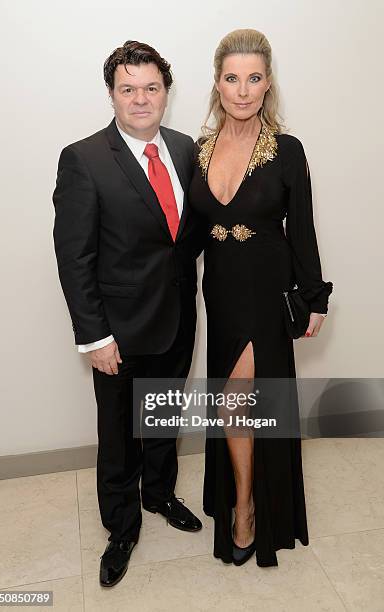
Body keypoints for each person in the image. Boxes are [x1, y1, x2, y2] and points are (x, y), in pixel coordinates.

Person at [52, 40, 204, 588]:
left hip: (178, 317)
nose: (141, 99)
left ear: (166, 91)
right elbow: (75, 257)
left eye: (152, 88)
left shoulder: (187, 149)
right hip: (118, 329)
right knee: (118, 433)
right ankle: (120, 527)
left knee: (163, 415)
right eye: (128, 89)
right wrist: (95, 338)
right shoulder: (84, 158)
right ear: (112, 94)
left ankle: (160, 493)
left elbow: (190, 237)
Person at [188, 28, 333, 567]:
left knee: (238, 397)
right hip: (221, 290)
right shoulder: (198, 150)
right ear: (218, 83)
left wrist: (314, 297)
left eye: (253, 78)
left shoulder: (287, 150)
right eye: (232, 78)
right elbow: (187, 234)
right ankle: (240, 498)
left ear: (267, 83)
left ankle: (246, 508)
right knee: (238, 400)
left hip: (267, 291)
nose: (243, 90)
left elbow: (304, 231)